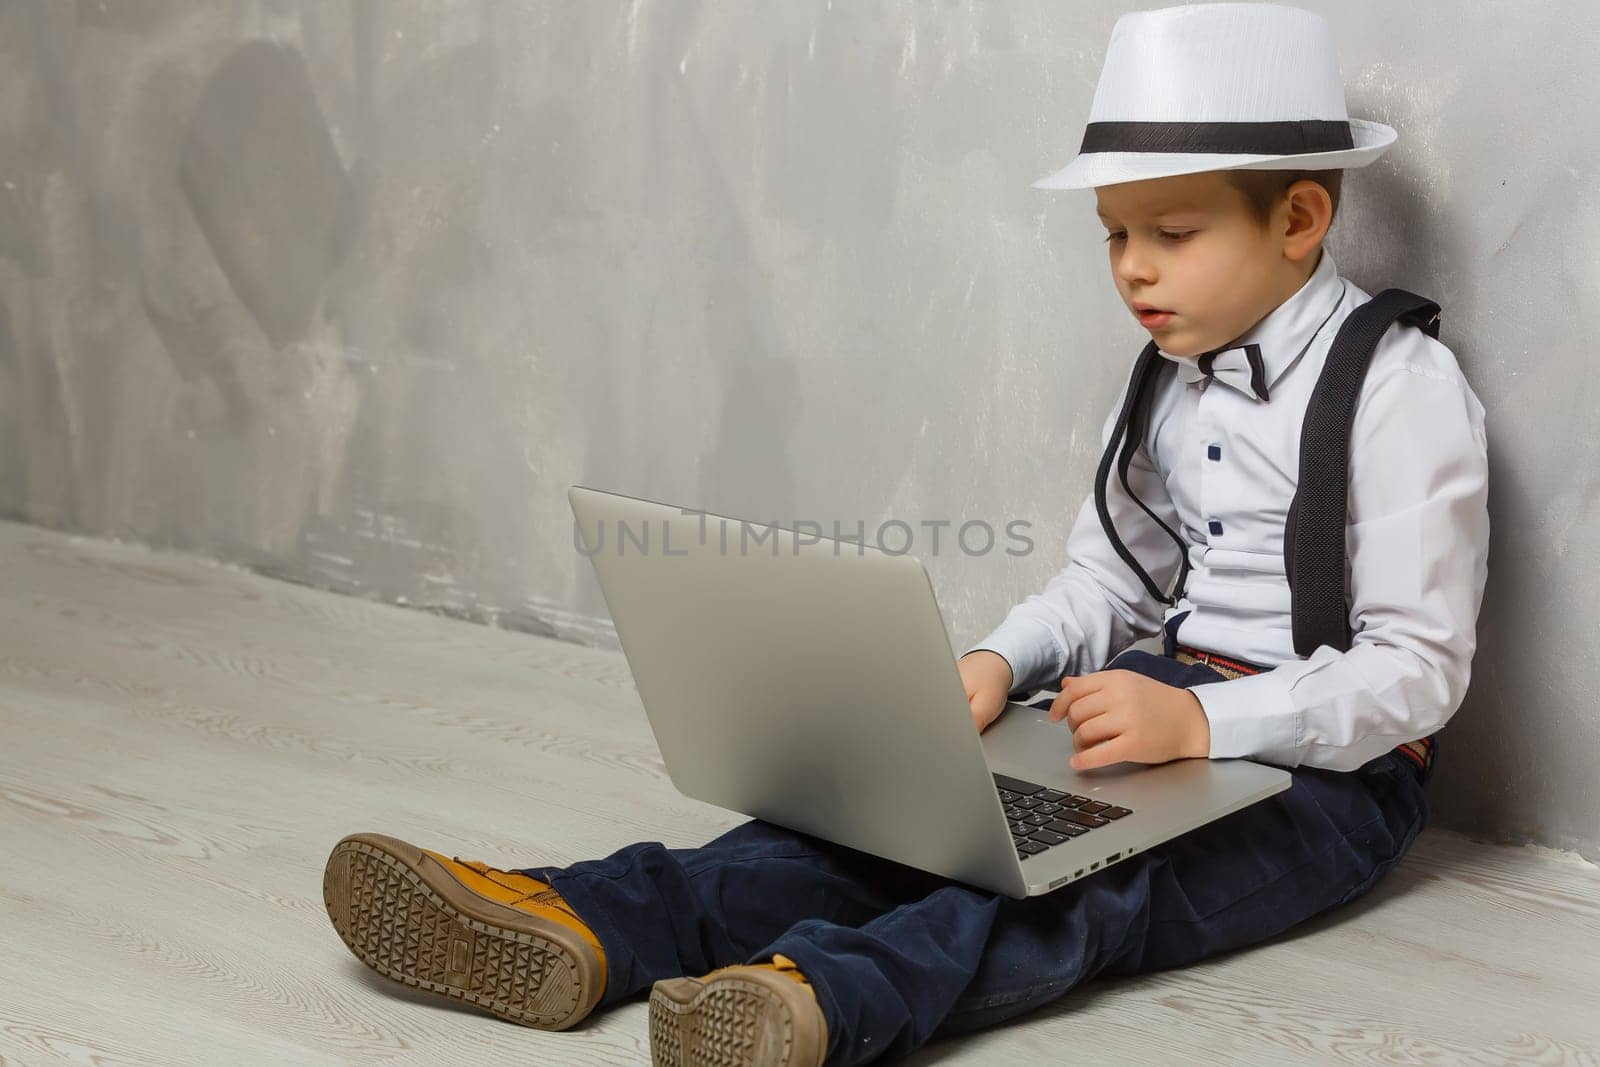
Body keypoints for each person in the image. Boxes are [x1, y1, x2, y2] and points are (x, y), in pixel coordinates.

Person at [320, 5, 1489, 1064]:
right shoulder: (1167, 379)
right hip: (1151, 711)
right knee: (893, 825)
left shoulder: (1401, 388)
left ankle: (819, 1000)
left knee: (1079, 881)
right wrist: (1001, 661)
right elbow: (1110, 582)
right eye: (1111, 236)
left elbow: (1417, 672)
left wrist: (1203, 717)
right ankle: (589, 916)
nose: (1132, 269)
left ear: (1297, 218)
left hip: (1326, 777)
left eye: (1169, 232)